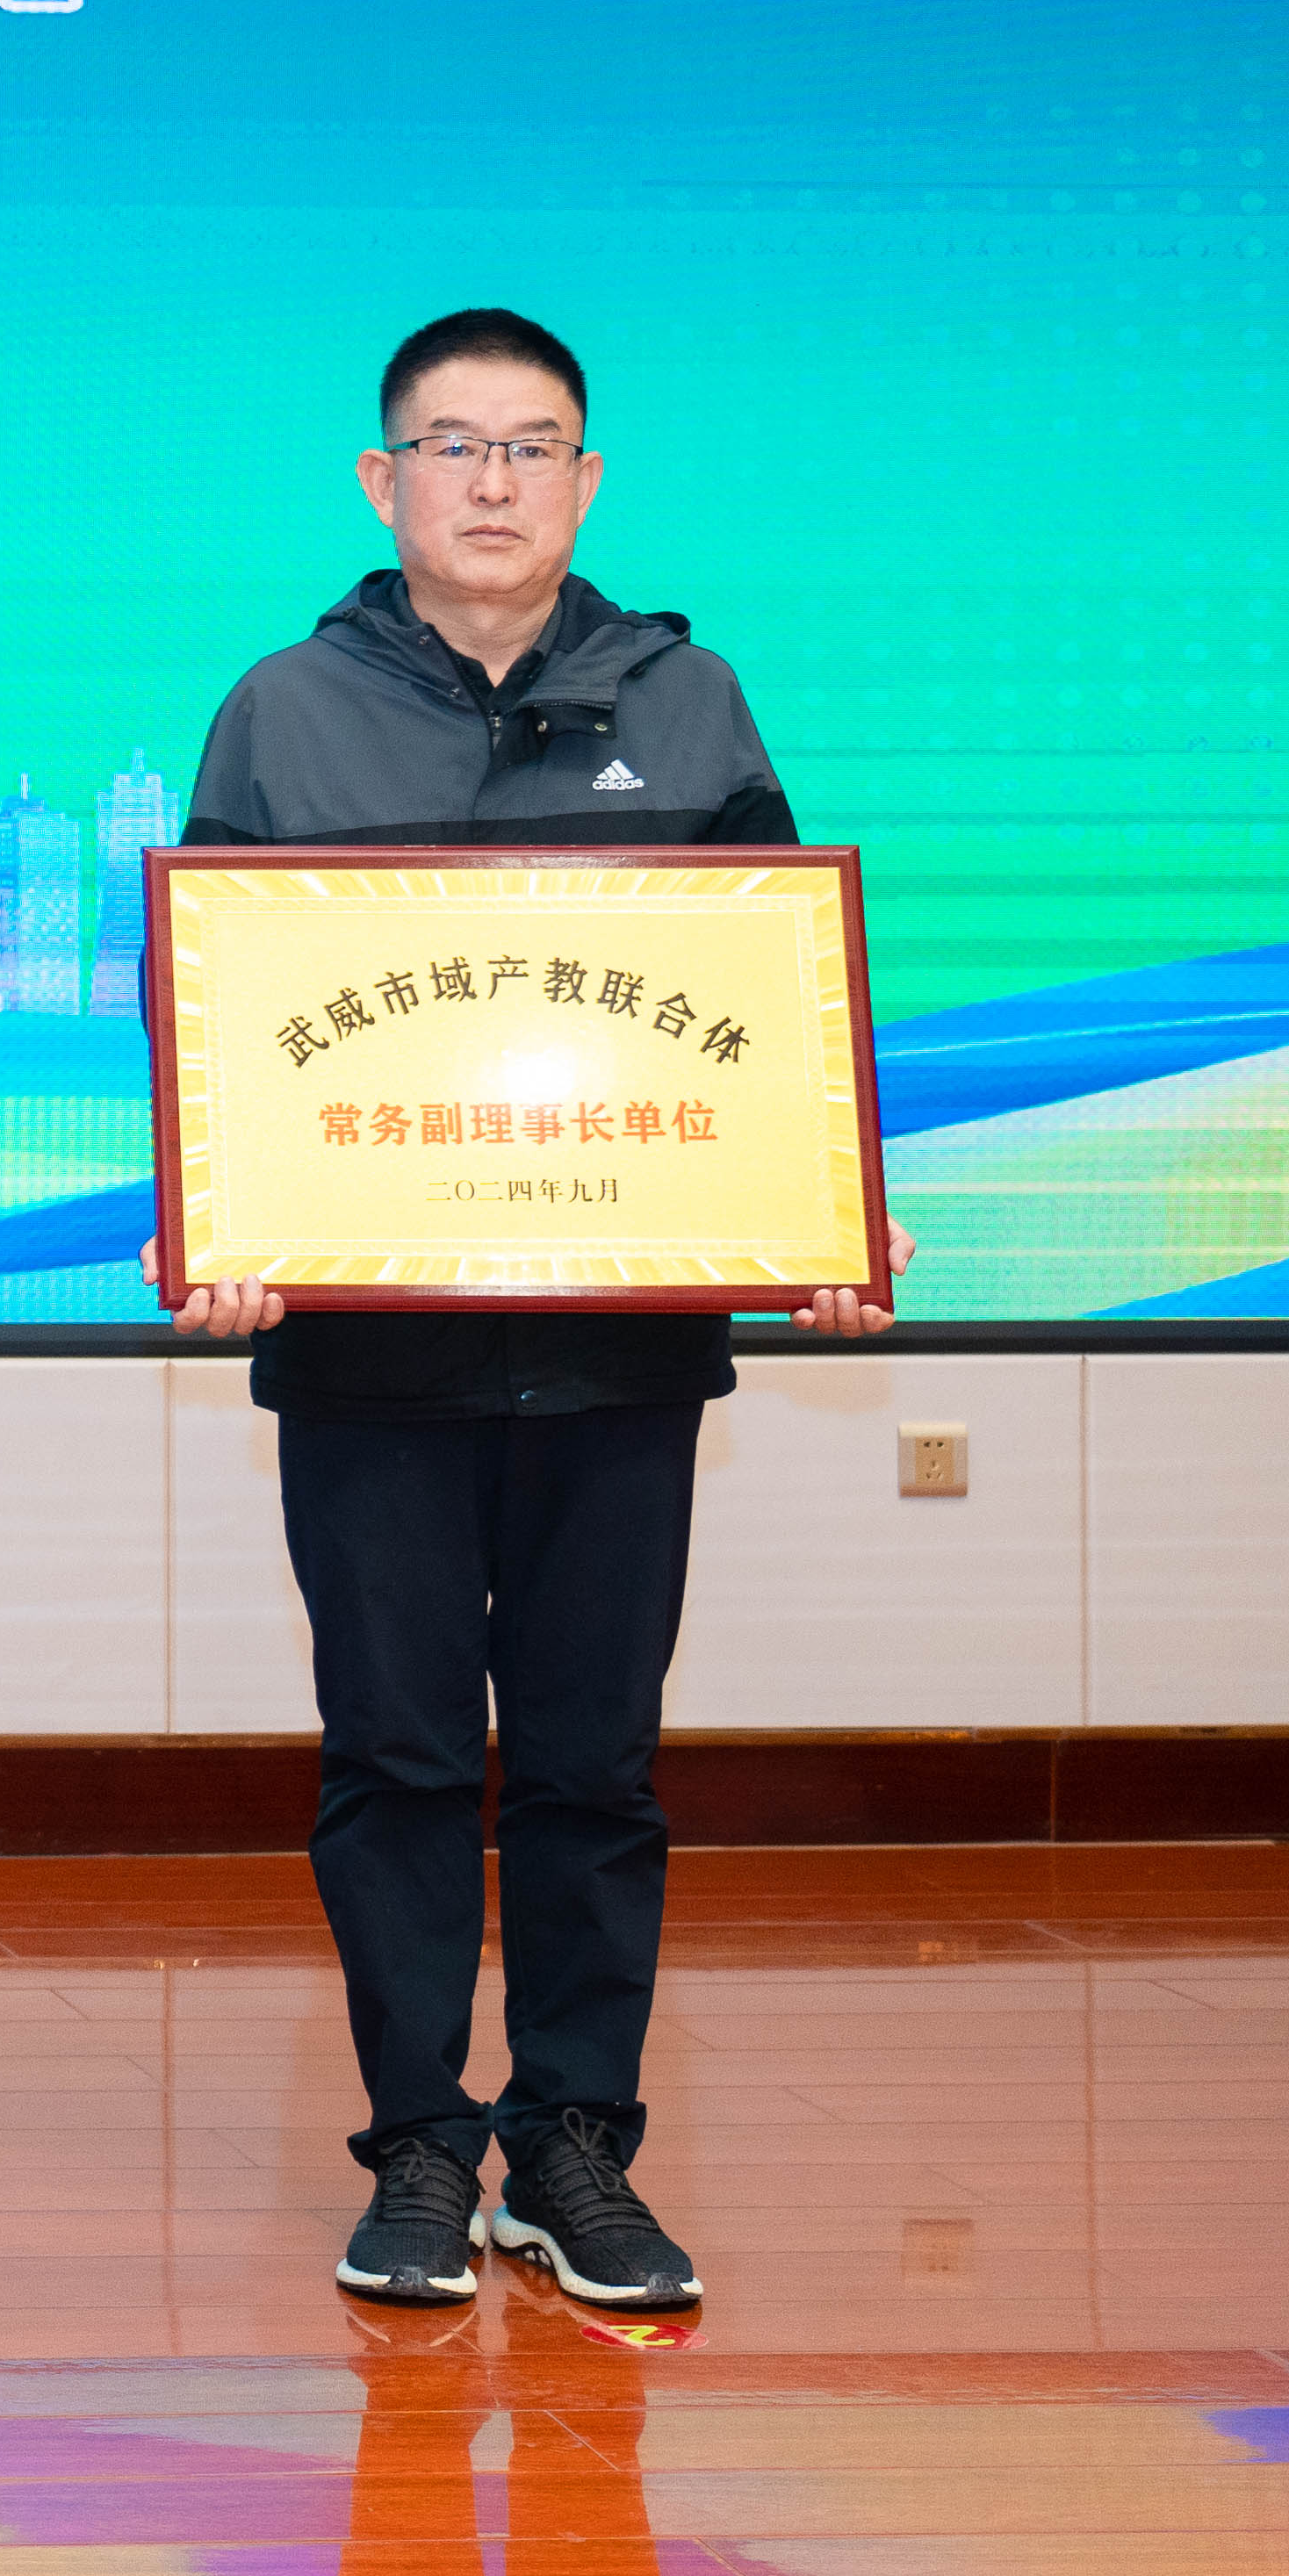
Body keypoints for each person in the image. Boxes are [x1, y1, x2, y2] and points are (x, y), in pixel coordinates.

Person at [167, 308, 901, 2321]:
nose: (489, 483)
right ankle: (417, 2144)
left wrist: (827, 1210)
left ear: (582, 481)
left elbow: (772, 1009)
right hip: (370, 1350)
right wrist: (229, 1219)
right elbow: (210, 1010)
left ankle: (573, 2146)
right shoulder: (281, 714)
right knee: (393, 1757)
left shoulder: (689, 701)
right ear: (379, 479)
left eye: (530, 446)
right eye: (449, 445)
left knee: (591, 1764)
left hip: (614, 1343)